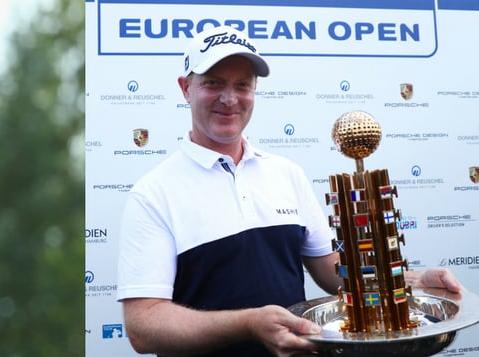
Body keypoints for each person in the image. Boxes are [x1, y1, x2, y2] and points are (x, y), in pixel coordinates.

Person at [115, 25, 462, 357]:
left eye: (242, 85)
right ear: (185, 88)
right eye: (213, 83)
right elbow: (143, 326)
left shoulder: (286, 173)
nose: (229, 98)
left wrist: (412, 279)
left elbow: (333, 271)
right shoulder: (154, 193)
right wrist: (249, 324)